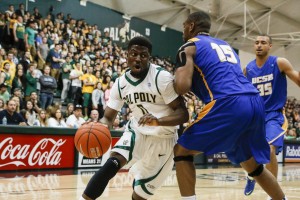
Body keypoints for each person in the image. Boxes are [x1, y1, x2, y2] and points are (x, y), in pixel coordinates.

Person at [173, 11, 287, 200]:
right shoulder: (225, 45)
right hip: (254, 101)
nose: (183, 29)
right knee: (252, 164)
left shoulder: (189, 46)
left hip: (228, 102)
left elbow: (182, 86)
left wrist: (173, 78)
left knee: (181, 151)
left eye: (185, 25)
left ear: (192, 25)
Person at [79, 36, 188, 200]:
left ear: (149, 58)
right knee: (113, 161)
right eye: (134, 54)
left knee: (139, 195)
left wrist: (158, 121)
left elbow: (183, 114)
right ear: (127, 55)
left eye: (143, 55)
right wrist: (98, 126)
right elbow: (108, 117)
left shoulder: (161, 77)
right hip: (137, 130)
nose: (138, 59)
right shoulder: (121, 83)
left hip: (163, 139)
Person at [243, 34, 300, 197]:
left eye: (263, 42)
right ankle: (250, 175)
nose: (259, 45)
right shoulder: (248, 69)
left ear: (270, 46)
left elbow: (297, 79)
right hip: (254, 115)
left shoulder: (279, 63)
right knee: (247, 154)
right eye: (257, 42)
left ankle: (272, 194)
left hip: (273, 115)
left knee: (269, 149)